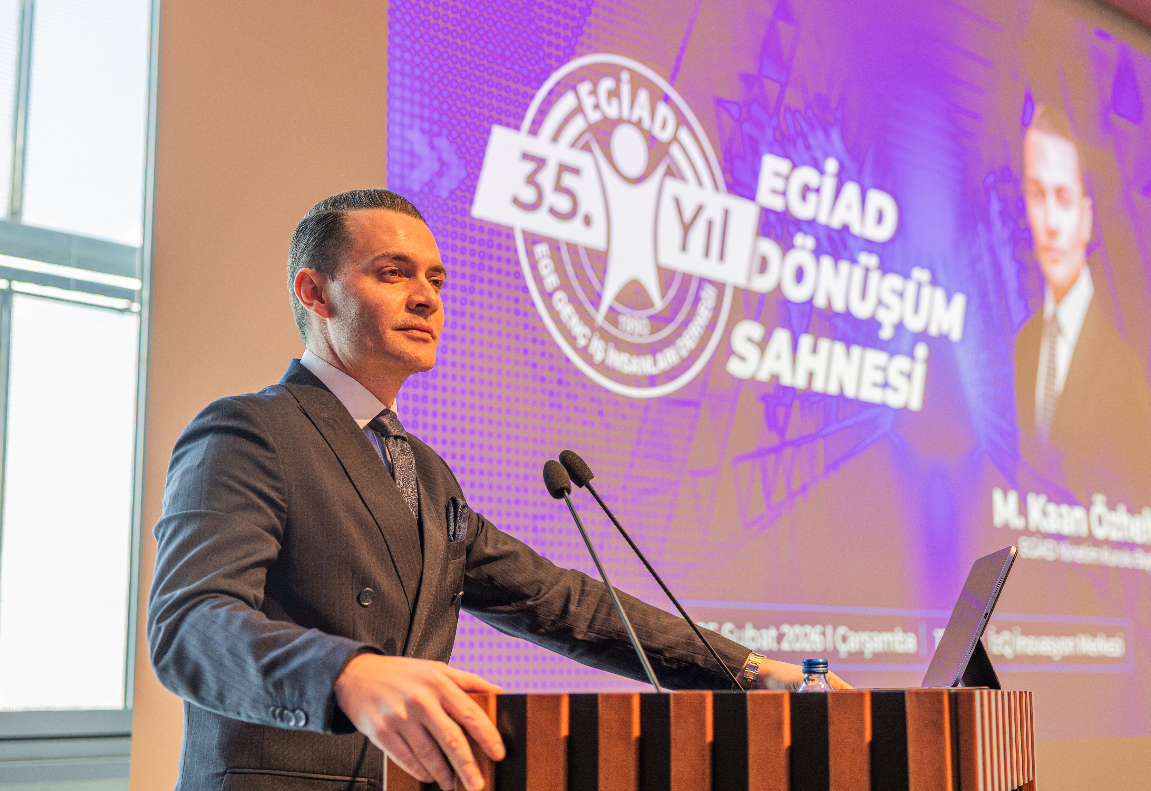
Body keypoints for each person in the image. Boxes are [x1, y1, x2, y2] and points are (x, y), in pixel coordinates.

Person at [148, 189, 847, 791]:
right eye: (392, 273)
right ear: (314, 292)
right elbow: (189, 624)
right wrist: (348, 675)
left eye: (435, 278)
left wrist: (748, 672)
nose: (425, 296)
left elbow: (561, 602)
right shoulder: (250, 430)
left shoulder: (424, 471)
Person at [1013, 105, 1151, 502]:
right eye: (1037, 196)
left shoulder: (1127, 354)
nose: (1051, 221)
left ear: (1087, 218)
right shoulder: (1026, 342)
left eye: (1063, 197)